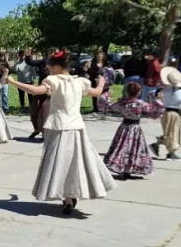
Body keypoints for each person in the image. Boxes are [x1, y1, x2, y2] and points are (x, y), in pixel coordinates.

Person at [7, 50, 116, 215]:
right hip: (76, 129)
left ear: (57, 67)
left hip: (59, 128)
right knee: (76, 163)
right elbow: (97, 92)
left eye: (50, 67)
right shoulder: (80, 81)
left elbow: (36, 91)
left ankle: (67, 198)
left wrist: (14, 82)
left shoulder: (54, 80)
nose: (49, 70)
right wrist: (101, 81)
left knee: (60, 164)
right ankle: (70, 196)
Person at [104, 81, 164, 179]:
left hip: (124, 127)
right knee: (134, 148)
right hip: (135, 128)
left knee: (122, 147)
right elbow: (154, 110)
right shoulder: (140, 104)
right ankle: (128, 168)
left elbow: (110, 106)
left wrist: (108, 96)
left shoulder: (122, 103)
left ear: (127, 92)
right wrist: (158, 100)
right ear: (138, 92)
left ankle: (122, 168)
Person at [150, 66, 181, 160]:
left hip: (164, 112)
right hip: (174, 113)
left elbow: (157, 100)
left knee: (167, 132)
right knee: (173, 132)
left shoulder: (163, 90)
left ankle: (156, 144)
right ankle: (171, 153)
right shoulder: (180, 92)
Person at [21, 48, 56, 140]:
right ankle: (36, 129)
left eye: (53, 52)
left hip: (49, 92)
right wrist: (28, 55)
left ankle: (45, 134)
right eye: (50, 52)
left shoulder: (56, 65)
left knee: (44, 113)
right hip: (40, 90)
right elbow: (30, 62)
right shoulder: (43, 62)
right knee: (33, 110)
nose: (51, 54)